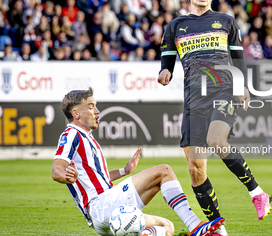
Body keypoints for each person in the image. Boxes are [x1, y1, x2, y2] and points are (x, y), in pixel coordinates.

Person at [157, 0, 272, 235]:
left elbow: (239, 59)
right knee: (195, 169)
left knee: (216, 140)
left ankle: (257, 193)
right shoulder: (175, 26)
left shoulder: (226, 21)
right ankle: (217, 228)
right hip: (193, 101)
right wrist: (164, 71)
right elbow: (167, 59)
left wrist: (242, 86)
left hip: (224, 90)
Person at [52, 88, 225, 236]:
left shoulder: (86, 137)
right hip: (101, 205)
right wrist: (67, 176)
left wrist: (124, 171)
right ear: (75, 114)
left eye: (96, 106)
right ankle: (195, 225)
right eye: (91, 107)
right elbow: (56, 170)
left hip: (101, 218)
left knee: (167, 227)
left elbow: (98, 177)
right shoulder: (72, 134)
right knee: (164, 171)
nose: (97, 111)